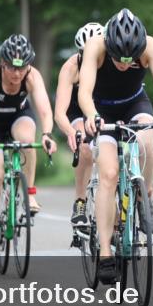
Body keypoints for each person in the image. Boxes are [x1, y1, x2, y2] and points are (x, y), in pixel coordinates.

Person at [79, 8, 153, 284]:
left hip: (135, 103)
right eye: (119, 59)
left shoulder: (149, 46)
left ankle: (144, 194)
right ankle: (105, 253)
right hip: (103, 111)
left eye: (130, 60)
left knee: (146, 141)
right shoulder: (96, 46)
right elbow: (84, 92)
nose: (125, 64)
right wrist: (91, 116)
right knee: (109, 174)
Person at [0, 34, 58, 253]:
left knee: (28, 141)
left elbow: (46, 111)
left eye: (22, 68)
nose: (17, 74)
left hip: (17, 117)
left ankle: (29, 193)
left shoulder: (32, 76)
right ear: (3, 63)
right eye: (11, 68)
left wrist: (47, 134)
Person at [53, 22, 105, 230]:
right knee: (85, 147)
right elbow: (59, 112)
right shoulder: (71, 67)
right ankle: (81, 202)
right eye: (84, 52)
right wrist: (71, 132)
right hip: (77, 111)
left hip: (103, 106)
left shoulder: (111, 63)